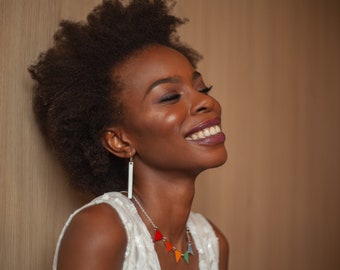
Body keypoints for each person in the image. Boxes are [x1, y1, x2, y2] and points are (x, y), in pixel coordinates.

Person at [29, 0, 229, 269]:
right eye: (170, 97)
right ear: (120, 140)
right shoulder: (100, 231)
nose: (207, 102)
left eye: (203, 88)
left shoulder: (212, 242)